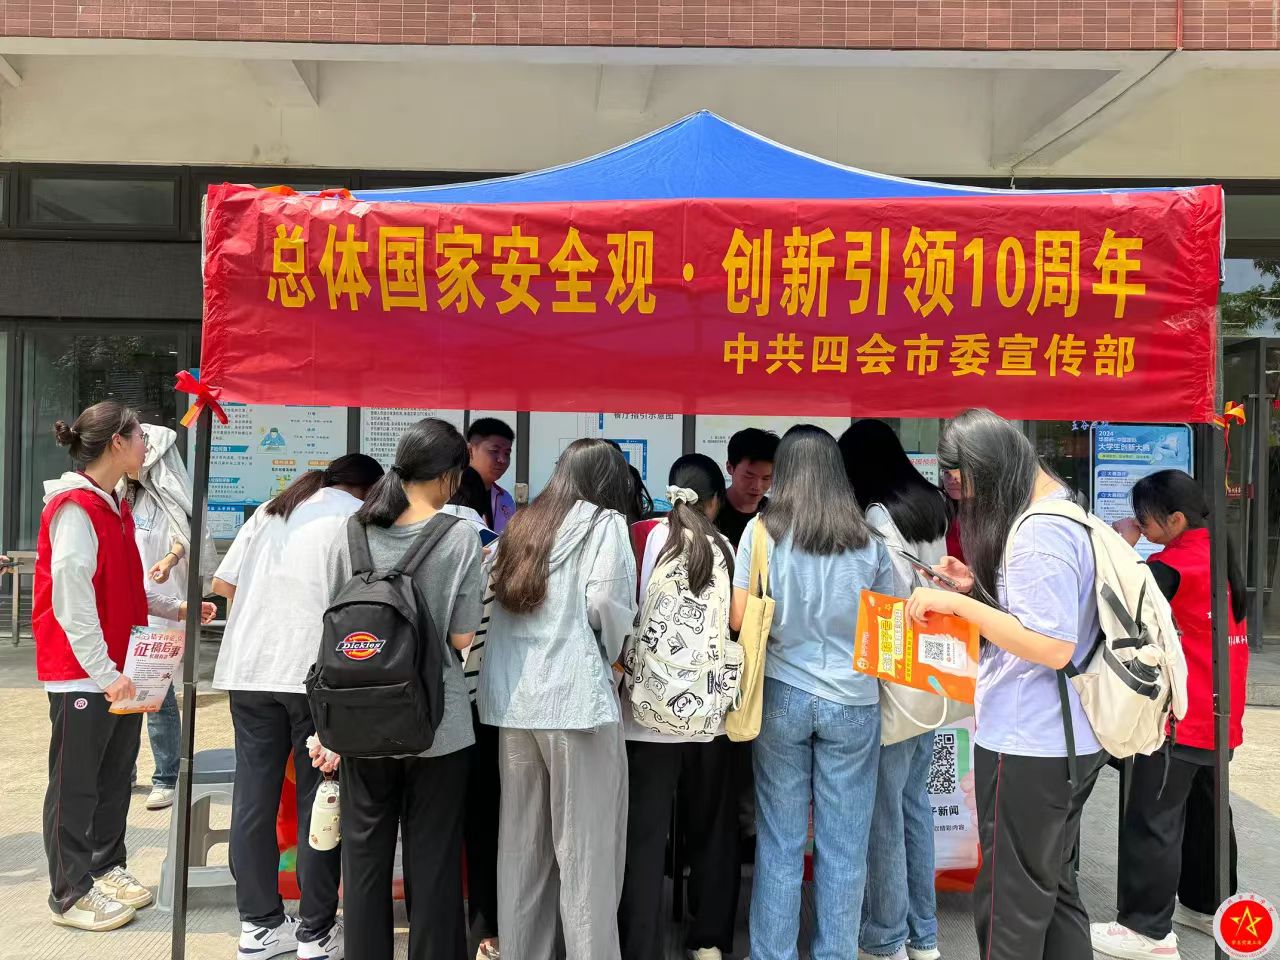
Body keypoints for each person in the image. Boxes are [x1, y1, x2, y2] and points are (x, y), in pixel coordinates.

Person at [904, 408, 1108, 960]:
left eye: (964, 483)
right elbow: (1038, 616)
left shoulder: (1037, 531)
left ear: (987, 468)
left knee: (1008, 906)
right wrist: (974, 590)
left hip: (1028, 742)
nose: (965, 498)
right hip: (1062, 738)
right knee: (1054, 890)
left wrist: (955, 606)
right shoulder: (1062, 510)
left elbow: (1051, 643)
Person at [35, 401, 214, 933]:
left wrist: (174, 608)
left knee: (115, 776)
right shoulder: (73, 507)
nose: (146, 447)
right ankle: (70, 893)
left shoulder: (114, 505)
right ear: (117, 442)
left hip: (120, 670)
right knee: (75, 784)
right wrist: (106, 673)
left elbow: (123, 588)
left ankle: (105, 867)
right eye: (140, 437)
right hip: (86, 673)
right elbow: (72, 602)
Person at [312, 419, 483, 960]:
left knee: (364, 858)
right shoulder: (459, 537)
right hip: (437, 724)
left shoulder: (351, 532)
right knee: (434, 860)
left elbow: (332, 622)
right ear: (450, 475)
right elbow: (462, 636)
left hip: (359, 722)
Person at [730, 424, 894, 960]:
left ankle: (772, 953)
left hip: (782, 693)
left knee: (779, 839)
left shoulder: (761, 532)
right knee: (844, 846)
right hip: (854, 700)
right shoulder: (869, 540)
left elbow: (739, 617)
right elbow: (888, 630)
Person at [212, 453, 384, 960]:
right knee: (320, 800)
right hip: (312, 674)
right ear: (370, 490)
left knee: (252, 798)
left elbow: (223, 586)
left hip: (248, 670)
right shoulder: (354, 519)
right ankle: (315, 930)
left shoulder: (271, 509)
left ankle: (259, 926)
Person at [478, 438, 636, 960]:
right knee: (587, 850)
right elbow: (606, 601)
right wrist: (612, 654)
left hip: (516, 703)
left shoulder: (522, 523)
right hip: (577, 700)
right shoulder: (605, 523)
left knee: (523, 848)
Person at [1091, 470, 1250, 960]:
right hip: (1220, 715)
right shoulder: (1219, 553)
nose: (1139, 527)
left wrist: (1121, 546)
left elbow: (1121, 605)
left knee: (1153, 817)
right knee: (1208, 814)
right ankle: (1207, 904)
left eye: (1145, 520)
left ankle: (1147, 930)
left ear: (1175, 519)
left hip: (1179, 717)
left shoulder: (1173, 566)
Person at [618, 453, 741, 960]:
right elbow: (737, 623)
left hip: (643, 717)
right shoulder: (724, 545)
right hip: (708, 716)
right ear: (714, 502)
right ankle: (709, 939)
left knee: (643, 837)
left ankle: (638, 945)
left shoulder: (640, 537)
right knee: (712, 824)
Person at [840, 419, 948, 960]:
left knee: (885, 809)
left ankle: (887, 935)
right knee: (913, 804)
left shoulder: (879, 516)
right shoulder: (930, 504)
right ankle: (923, 933)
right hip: (929, 673)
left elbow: (886, 600)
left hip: (895, 671)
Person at [120, 421, 218, 811]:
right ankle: (124, 771)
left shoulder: (173, 497)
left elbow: (186, 536)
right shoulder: (119, 495)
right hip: (125, 606)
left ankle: (166, 776)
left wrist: (170, 559)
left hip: (163, 608)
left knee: (157, 695)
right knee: (122, 692)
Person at [716, 427, 778, 549]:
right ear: (730, 468)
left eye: (766, 478)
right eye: (749, 476)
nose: (757, 486)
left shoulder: (776, 515)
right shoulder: (712, 512)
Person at [467, 418, 516, 533]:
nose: (502, 460)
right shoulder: (449, 494)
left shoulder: (506, 499)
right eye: (494, 451)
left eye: (507, 453)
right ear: (470, 451)